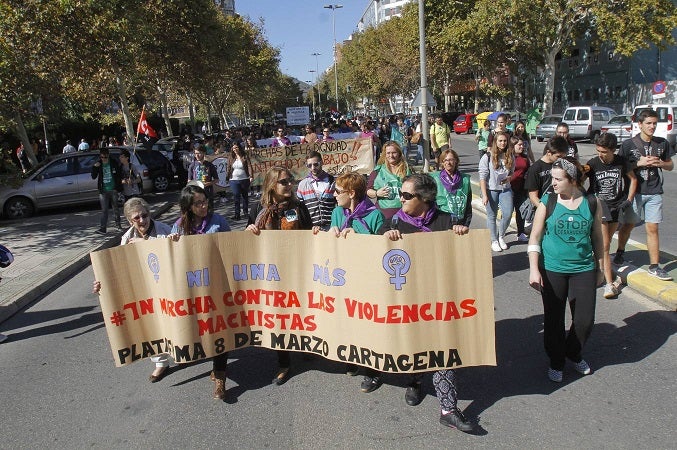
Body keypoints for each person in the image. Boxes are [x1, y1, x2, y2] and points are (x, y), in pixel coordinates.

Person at [378, 173, 474, 432]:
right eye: (402, 194)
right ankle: (415, 381)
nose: (401, 198)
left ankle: (448, 409)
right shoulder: (395, 221)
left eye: (407, 195)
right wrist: (387, 236)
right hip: (408, 299)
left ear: (425, 198)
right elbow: (375, 249)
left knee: (441, 349)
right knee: (414, 345)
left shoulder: (445, 221)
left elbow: (462, 258)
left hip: (438, 300)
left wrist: (461, 234)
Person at [528, 156, 603, 383]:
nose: (553, 183)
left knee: (584, 321)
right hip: (552, 268)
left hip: (584, 268)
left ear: (572, 180)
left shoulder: (592, 202)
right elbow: (535, 236)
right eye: (552, 178)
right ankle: (556, 361)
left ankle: (573, 351)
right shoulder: (548, 201)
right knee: (554, 319)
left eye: (558, 179)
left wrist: (600, 266)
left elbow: (598, 237)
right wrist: (533, 268)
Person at [92, 198, 175, 380]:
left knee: (172, 321)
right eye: (136, 218)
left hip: (166, 285)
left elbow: (173, 253)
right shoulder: (126, 238)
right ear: (130, 221)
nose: (142, 220)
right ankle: (160, 363)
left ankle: (180, 350)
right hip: (143, 288)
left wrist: (143, 246)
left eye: (144, 215)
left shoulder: (165, 230)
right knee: (151, 325)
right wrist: (101, 284)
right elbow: (120, 269)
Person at [246, 167, 312, 385]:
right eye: (284, 181)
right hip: (271, 273)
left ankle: (306, 344)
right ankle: (284, 362)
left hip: (297, 269)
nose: (289, 185)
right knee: (279, 316)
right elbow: (250, 241)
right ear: (272, 185)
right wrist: (249, 233)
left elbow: (310, 235)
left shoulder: (298, 207)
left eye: (290, 180)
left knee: (302, 309)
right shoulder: (258, 209)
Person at [171, 185, 231, 399]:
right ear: (188, 206)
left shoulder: (218, 222)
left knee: (220, 328)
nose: (204, 206)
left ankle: (221, 377)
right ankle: (213, 367)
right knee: (202, 327)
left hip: (217, 286)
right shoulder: (178, 228)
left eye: (205, 201)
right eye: (198, 203)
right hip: (194, 288)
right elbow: (172, 260)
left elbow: (231, 248)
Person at [615, 109, 674, 280]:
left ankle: (654, 266)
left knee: (653, 228)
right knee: (628, 226)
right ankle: (620, 251)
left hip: (654, 191)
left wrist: (661, 163)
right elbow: (620, 167)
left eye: (654, 123)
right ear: (639, 124)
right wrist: (638, 163)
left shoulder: (662, 143)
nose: (652, 126)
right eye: (648, 123)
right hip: (635, 192)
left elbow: (670, 165)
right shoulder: (628, 145)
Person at [586, 132, 637, 298]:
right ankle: (608, 284)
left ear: (613, 150)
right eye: (598, 150)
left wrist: (629, 199)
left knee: (603, 246)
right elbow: (579, 178)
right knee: (606, 246)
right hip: (600, 206)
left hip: (617, 206)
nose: (600, 154)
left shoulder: (622, 163)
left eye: (604, 151)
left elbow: (633, 179)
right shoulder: (593, 163)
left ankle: (600, 273)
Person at [479, 131, 514, 252]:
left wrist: (509, 177)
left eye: (505, 141)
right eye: (500, 141)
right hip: (491, 189)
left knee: (508, 213)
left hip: (505, 189)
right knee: (492, 215)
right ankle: (493, 240)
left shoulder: (510, 155)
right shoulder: (487, 156)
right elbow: (482, 177)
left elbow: (512, 172)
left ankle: (501, 236)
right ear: (495, 142)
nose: (503, 143)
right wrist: (484, 195)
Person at [366, 141, 412, 219]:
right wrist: (376, 193)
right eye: (388, 153)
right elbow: (367, 191)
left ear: (399, 153)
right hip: (383, 212)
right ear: (384, 154)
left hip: (404, 212)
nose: (391, 155)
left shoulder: (407, 170)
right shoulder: (377, 171)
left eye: (394, 153)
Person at [430, 149, 472, 231]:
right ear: (442, 163)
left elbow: (468, 206)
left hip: (460, 224)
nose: (448, 163)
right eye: (445, 160)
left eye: (451, 160)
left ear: (456, 161)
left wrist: (466, 224)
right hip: (442, 224)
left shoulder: (465, 179)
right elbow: (431, 205)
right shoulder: (435, 179)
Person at [524, 136, 569, 208]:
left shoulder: (562, 165)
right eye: (558, 156)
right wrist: (545, 211)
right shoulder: (535, 169)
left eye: (563, 157)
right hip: (544, 208)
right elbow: (533, 197)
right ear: (548, 152)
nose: (561, 160)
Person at [296, 151, 336, 231]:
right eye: (309, 165)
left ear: (322, 163)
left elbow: (339, 207)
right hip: (311, 229)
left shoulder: (333, 182)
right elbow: (300, 210)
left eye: (316, 164)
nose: (313, 168)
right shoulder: (303, 185)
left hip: (331, 228)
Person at [91, 148, 122, 234]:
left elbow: (119, 174)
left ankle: (118, 225)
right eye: (102, 157)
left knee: (115, 208)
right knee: (104, 210)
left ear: (108, 155)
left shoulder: (113, 163)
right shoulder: (99, 164)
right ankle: (103, 228)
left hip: (113, 189)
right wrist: (94, 167)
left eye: (105, 157)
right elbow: (93, 176)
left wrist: (118, 187)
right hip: (103, 190)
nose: (103, 159)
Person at [509, 136, 531, 242]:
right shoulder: (508, 157)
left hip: (521, 188)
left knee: (520, 211)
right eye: (519, 145)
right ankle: (501, 233)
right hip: (508, 188)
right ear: (513, 146)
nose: (522, 146)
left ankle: (520, 232)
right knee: (508, 212)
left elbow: (528, 172)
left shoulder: (525, 158)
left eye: (523, 144)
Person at [226, 142, 253, 220]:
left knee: (245, 196)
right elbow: (228, 167)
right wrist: (227, 177)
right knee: (236, 196)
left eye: (236, 148)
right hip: (233, 180)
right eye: (233, 148)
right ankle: (237, 214)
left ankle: (245, 212)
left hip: (244, 179)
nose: (235, 150)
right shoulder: (231, 157)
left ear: (239, 148)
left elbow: (249, 166)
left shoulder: (244, 156)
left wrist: (251, 176)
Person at [187, 144, 218, 208]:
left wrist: (207, 184)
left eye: (199, 153)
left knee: (209, 213)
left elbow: (216, 180)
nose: (197, 155)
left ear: (204, 153)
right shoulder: (192, 165)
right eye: (195, 153)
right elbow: (189, 181)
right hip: (196, 194)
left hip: (208, 193)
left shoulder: (210, 165)